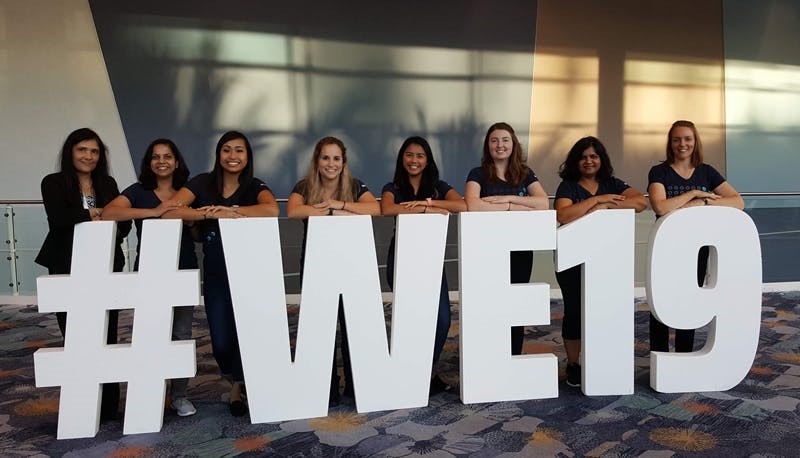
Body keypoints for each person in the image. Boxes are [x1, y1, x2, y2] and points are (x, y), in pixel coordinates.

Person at [164, 131, 280, 417]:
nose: (232, 156)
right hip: (216, 271)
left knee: (248, 331)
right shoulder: (202, 182)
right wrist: (207, 214)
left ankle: (240, 388)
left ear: (247, 156)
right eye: (227, 150)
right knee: (221, 340)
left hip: (249, 271)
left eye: (239, 150)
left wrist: (233, 210)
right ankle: (236, 379)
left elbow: (271, 209)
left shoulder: (253, 185)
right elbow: (170, 211)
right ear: (218, 154)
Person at [35, 127, 131, 421]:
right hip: (67, 265)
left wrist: (108, 222)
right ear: (71, 152)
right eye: (82, 150)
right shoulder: (53, 182)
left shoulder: (108, 183)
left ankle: (109, 405)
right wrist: (94, 214)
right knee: (75, 335)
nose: (88, 156)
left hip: (105, 264)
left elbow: (123, 221)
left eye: (94, 151)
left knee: (107, 333)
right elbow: (59, 219)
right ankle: (83, 402)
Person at [102, 138, 198, 416]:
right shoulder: (138, 191)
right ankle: (150, 392)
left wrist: (190, 219)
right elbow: (109, 212)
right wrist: (154, 212)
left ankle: (179, 395)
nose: (162, 161)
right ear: (149, 163)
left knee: (181, 334)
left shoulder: (188, 191)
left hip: (182, 267)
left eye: (167, 156)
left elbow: (197, 233)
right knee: (151, 331)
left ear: (176, 162)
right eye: (156, 157)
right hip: (149, 272)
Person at [286, 136, 380, 406]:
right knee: (320, 327)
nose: (331, 163)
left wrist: (341, 205)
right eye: (325, 158)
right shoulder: (304, 186)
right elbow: (293, 211)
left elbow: (375, 208)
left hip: (351, 264)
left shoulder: (354, 186)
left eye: (336, 158)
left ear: (343, 162)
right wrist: (328, 211)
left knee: (351, 324)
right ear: (317, 161)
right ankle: (326, 388)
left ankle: (354, 383)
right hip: (316, 265)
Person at [554, 136, 648, 387]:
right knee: (574, 310)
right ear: (576, 161)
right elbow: (563, 215)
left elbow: (641, 202)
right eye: (583, 157)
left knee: (605, 308)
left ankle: (602, 359)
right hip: (572, 260)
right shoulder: (568, 186)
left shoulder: (613, 183)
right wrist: (596, 201)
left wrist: (606, 206)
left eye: (594, 156)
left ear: (601, 159)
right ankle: (573, 363)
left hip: (605, 260)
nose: (589, 161)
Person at [647, 120, 744, 353]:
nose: (683, 144)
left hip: (697, 249)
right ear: (670, 143)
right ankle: (659, 355)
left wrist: (703, 201)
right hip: (667, 247)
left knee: (689, 299)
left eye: (687, 139)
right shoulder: (659, 172)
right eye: (677, 139)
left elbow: (738, 202)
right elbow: (660, 207)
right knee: (661, 299)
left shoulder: (706, 171)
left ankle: (684, 353)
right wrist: (693, 193)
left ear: (695, 141)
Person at [380, 136, 466, 394]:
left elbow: (462, 205)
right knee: (411, 318)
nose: (414, 160)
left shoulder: (438, 186)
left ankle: (427, 370)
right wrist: (427, 212)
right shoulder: (393, 186)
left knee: (442, 319)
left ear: (427, 161)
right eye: (409, 155)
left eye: (419, 155)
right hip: (402, 257)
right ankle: (409, 372)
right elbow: (387, 209)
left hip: (431, 258)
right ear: (402, 159)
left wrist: (428, 203)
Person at [464, 122, 549, 355]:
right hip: (487, 251)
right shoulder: (477, 174)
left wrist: (509, 200)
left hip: (520, 250)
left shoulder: (525, 173)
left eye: (505, 140)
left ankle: (513, 355)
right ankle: (488, 354)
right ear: (488, 146)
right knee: (489, 303)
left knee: (515, 305)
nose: (499, 145)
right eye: (494, 140)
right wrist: (520, 207)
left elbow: (543, 203)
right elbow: (473, 205)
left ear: (513, 144)